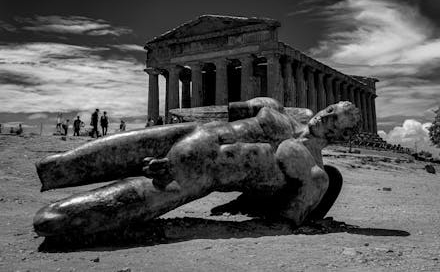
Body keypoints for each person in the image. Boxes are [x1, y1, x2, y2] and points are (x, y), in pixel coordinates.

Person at [33, 98, 360, 237]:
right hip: (183, 135)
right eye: (330, 110)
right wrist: (180, 119)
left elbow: (279, 224)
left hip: (190, 179)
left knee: (54, 220)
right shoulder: (275, 109)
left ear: (342, 136)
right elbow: (217, 111)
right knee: (57, 166)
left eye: (335, 123)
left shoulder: (314, 175)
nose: (325, 118)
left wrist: (195, 227)